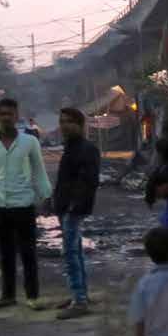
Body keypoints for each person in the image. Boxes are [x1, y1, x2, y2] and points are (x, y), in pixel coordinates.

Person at [0, 97, 52, 311]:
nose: (6, 117)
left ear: (17, 116)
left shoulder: (29, 142)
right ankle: (7, 295)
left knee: (28, 252)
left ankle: (32, 296)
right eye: (3, 114)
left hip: (24, 204)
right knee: (5, 253)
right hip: (0, 205)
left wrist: (46, 196)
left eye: (10, 114)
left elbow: (38, 171)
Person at [51, 108, 100, 320]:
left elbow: (88, 181)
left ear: (80, 125)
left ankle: (79, 300)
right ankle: (79, 295)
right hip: (65, 206)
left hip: (73, 208)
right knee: (76, 251)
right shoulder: (70, 147)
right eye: (62, 121)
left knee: (70, 253)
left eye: (69, 121)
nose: (64, 125)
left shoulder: (87, 148)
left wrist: (74, 205)